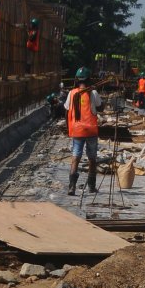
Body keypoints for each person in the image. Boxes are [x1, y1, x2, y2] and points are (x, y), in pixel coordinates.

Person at [64, 67, 101, 196]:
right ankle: (91, 186)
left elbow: (67, 109)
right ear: (89, 79)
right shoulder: (93, 93)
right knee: (92, 159)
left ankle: (72, 187)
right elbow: (99, 106)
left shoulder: (72, 93)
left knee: (76, 157)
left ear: (76, 79)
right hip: (91, 130)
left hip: (77, 130)